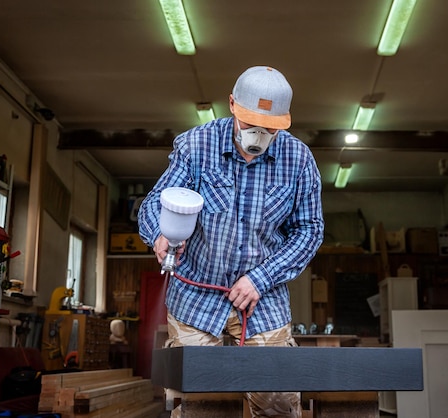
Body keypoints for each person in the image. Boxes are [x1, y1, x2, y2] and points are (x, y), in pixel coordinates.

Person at [138, 65, 324, 417]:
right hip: (195, 297)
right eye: (250, 123)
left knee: (277, 404)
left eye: (269, 128)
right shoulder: (196, 145)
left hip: (262, 300)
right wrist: (160, 234)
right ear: (231, 105)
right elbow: (154, 204)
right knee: (198, 404)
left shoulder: (299, 161)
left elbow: (309, 231)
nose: (258, 135)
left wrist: (260, 279)